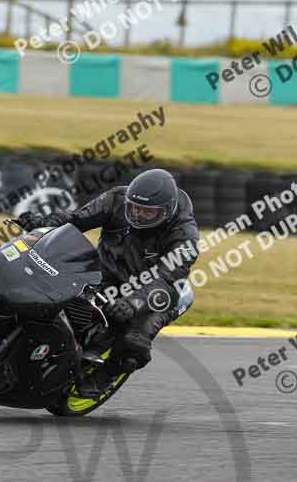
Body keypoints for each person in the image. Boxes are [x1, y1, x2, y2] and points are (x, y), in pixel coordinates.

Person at [16, 168, 200, 398]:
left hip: (159, 292)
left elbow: (166, 279)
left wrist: (133, 302)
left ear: (168, 211)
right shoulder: (116, 200)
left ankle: (107, 376)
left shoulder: (185, 237)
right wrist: (43, 222)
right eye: (134, 208)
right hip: (106, 272)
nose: (138, 215)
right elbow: (75, 219)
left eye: (147, 212)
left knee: (134, 341)